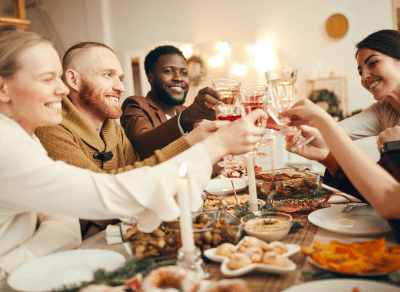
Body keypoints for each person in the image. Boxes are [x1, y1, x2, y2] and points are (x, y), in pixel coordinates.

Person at [0, 26, 267, 279]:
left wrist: (17, 260)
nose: (61, 89)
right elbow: (109, 194)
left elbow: (66, 221)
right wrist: (213, 146)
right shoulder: (8, 144)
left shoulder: (27, 136)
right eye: (47, 78)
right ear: (3, 88)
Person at [35, 42, 210, 239]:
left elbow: (141, 176)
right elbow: (99, 196)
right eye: (107, 75)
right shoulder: (50, 129)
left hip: (114, 237)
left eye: (120, 78)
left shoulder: (114, 130)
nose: (120, 87)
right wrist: (192, 143)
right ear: (74, 80)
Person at [281, 99, 400, 241]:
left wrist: (322, 119)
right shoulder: (386, 109)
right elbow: (376, 190)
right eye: (360, 74)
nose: (365, 78)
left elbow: (388, 199)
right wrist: (328, 157)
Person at [121, 45, 223, 159]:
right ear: (151, 78)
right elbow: (143, 148)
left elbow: (205, 155)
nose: (179, 78)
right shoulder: (135, 105)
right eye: (168, 71)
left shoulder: (184, 110)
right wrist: (186, 117)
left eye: (184, 73)